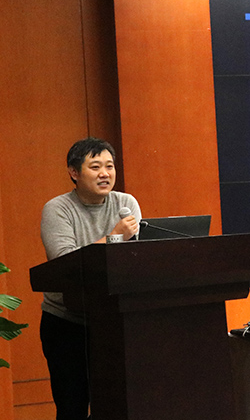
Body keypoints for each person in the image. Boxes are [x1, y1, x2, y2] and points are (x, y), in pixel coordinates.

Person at [39, 137, 141, 420]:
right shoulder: (58, 209)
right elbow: (66, 263)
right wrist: (115, 236)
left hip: (113, 322)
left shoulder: (126, 203)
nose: (105, 174)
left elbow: (135, 259)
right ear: (74, 172)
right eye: (95, 167)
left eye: (110, 166)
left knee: (115, 406)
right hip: (67, 323)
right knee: (72, 408)